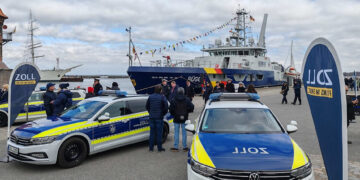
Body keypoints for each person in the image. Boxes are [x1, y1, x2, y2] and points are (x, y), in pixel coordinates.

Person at [170, 87, 194, 152]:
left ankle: (176, 147)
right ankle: (185, 147)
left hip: (176, 118)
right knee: (184, 133)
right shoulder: (187, 99)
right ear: (183, 92)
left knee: (176, 132)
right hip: (185, 117)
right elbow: (192, 107)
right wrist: (188, 111)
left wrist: (174, 114)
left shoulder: (173, 99)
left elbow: (171, 109)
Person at [146, 85, 168, 152]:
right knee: (159, 133)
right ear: (160, 90)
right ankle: (159, 148)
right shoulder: (162, 97)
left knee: (152, 133)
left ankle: (151, 148)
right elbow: (166, 107)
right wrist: (162, 113)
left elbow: (147, 106)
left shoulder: (150, 96)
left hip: (152, 117)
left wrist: (151, 112)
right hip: (159, 117)